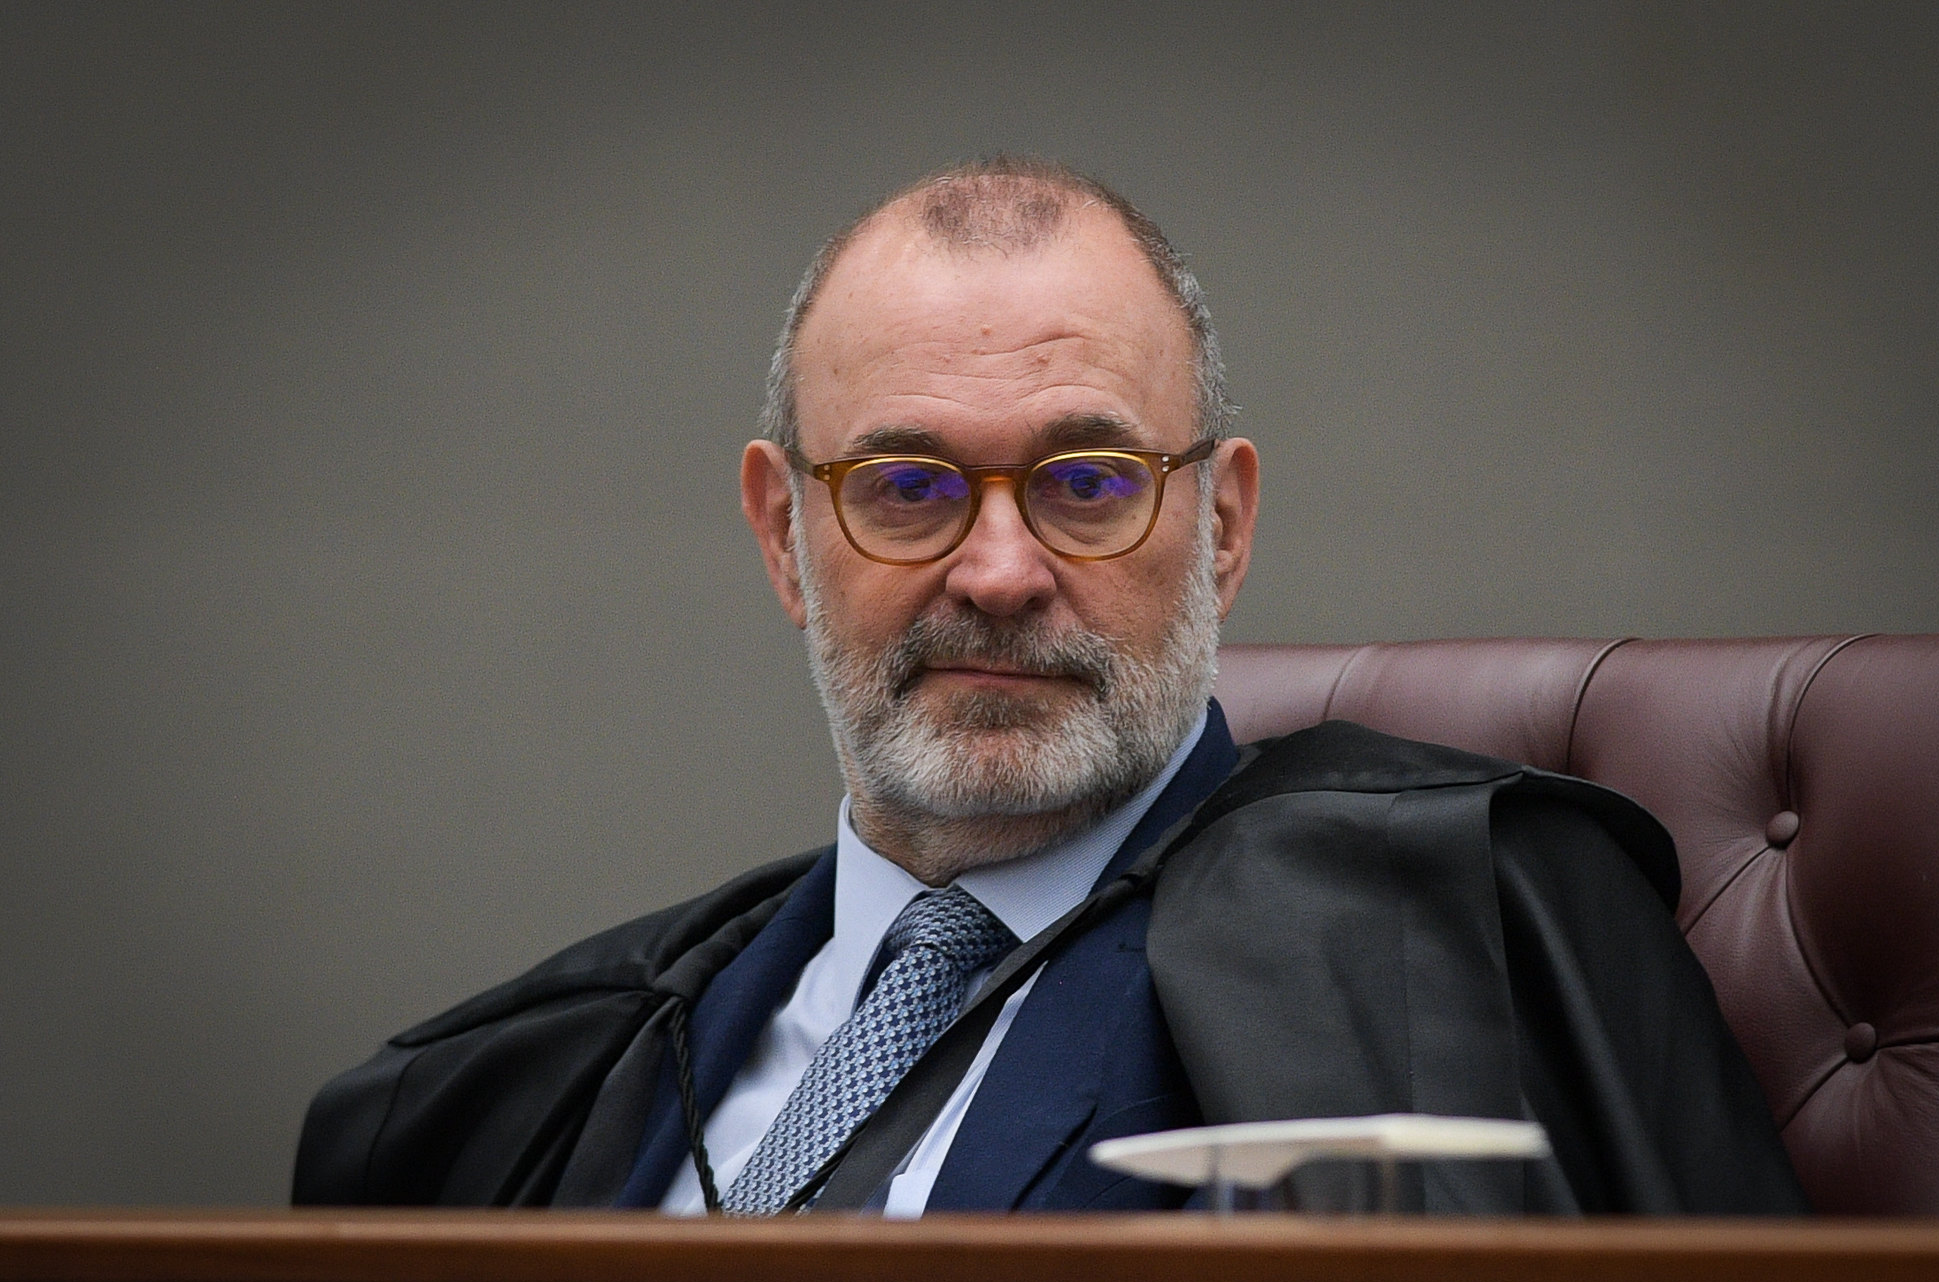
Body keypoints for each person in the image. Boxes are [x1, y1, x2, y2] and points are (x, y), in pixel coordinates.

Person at [293, 157, 1806, 1215]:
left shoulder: (1468, 922)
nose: (1001, 571)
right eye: (905, 487)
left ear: (1221, 526)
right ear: (783, 535)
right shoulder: (517, 1088)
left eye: (1088, 482)